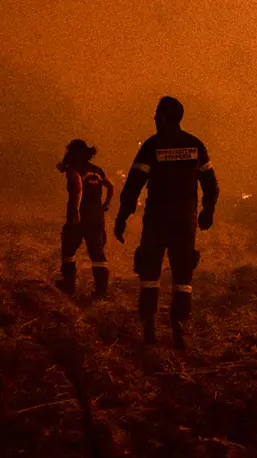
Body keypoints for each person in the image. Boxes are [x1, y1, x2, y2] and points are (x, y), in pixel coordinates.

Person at [114, 96, 219, 348]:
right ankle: (179, 330)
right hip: (185, 221)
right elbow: (211, 185)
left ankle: (149, 328)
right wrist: (207, 211)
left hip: (157, 220)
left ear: (164, 117)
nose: (153, 118)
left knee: (149, 273)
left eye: (156, 113)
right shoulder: (195, 145)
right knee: (183, 277)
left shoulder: (152, 146)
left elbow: (133, 185)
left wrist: (122, 216)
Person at [55, 139, 114, 298]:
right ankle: (101, 291)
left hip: (81, 215)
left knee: (68, 247)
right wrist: (106, 204)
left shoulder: (74, 170)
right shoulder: (97, 170)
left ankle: (68, 284)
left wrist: (75, 209)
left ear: (74, 153)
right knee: (97, 252)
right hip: (97, 214)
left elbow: (78, 185)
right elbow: (110, 186)